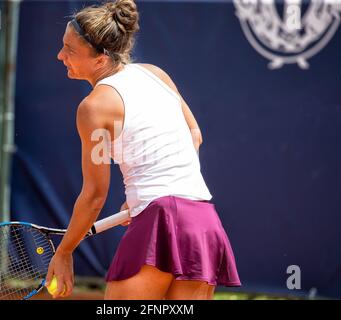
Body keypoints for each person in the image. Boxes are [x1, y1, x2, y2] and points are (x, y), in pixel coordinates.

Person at [46, 0, 241, 300]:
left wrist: (64, 252)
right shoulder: (155, 74)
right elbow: (195, 135)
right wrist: (145, 197)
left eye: (70, 50)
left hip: (161, 220)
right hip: (203, 224)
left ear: (100, 60)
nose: (60, 56)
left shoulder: (93, 108)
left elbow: (95, 195)